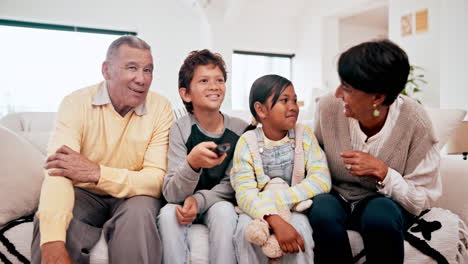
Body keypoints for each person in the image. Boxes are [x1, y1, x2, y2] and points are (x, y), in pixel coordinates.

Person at [30, 35, 174, 264]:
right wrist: (52, 242)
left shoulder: (161, 107)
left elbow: (156, 181)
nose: (142, 79)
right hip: (84, 194)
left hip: (133, 197)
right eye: (132, 68)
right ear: (107, 70)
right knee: (56, 223)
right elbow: (57, 171)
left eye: (148, 70)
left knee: (140, 212)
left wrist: (97, 173)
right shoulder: (75, 103)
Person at [307, 39, 442, 264]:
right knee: (322, 211)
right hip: (336, 194)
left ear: (378, 98)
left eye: (347, 88)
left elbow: (422, 200)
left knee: (380, 217)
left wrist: (384, 172)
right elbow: (313, 157)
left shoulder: (417, 123)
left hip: (383, 201)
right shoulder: (328, 107)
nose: (338, 93)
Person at [157, 49, 248, 264]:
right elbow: (171, 193)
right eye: (204, 80)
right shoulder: (180, 128)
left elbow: (232, 185)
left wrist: (200, 200)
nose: (214, 86)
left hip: (217, 201)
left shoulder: (240, 130)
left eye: (219, 80)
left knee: (224, 212)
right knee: (169, 214)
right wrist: (192, 164)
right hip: (182, 202)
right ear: (186, 94)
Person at [231, 74, 331, 264]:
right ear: (260, 110)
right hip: (257, 211)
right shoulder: (247, 142)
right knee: (245, 231)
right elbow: (244, 193)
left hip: (294, 208)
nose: (293, 106)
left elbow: (322, 180)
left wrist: (279, 200)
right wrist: (273, 218)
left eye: (294, 100)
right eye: (284, 100)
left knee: (301, 228)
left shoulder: (304, 135)